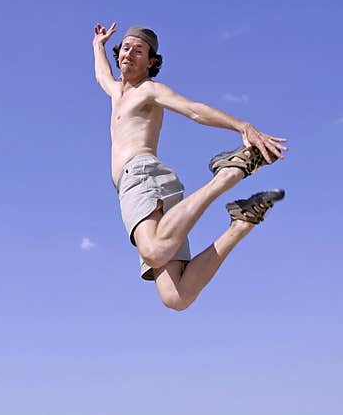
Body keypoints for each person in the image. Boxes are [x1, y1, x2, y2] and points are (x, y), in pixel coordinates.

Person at [93, 22, 289, 311]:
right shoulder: (116, 93)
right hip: (141, 184)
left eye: (139, 50)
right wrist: (97, 44)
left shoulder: (149, 91)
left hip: (142, 176)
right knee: (177, 296)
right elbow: (101, 75)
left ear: (151, 62)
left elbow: (194, 109)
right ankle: (242, 221)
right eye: (125, 48)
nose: (129, 54)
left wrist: (241, 126)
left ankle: (227, 175)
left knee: (154, 250)